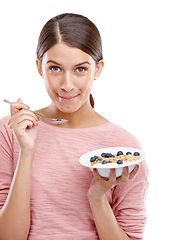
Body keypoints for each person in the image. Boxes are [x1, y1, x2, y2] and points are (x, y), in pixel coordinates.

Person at [0, 13, 148, 240]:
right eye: (55, 69)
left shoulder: (124, 148)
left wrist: (97, 198)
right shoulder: (11, 132)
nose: (67, 85)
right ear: (40, 67)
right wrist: (27, 152)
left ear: (97, 69)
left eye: (80, 69)